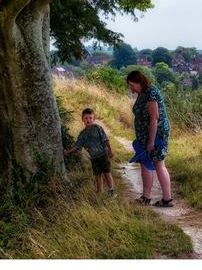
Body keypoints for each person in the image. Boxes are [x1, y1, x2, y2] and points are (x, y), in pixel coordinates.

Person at [127, 70, 174, 207]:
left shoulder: (151, 93)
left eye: (132, 85)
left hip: (156, 135)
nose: (131, 88)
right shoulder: (142, 92)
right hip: (145, 136)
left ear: (139, 82)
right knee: (145, 162)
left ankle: (167, 199)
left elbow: (154, 119)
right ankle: (146, 198)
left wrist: (151, 142)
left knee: (159, 163)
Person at [64, 108, 117, 197]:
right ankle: (99, 191)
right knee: (97, 175)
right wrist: (67, 151)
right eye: (86, 118)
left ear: (94, 119)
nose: (88, 120)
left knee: (107, 172)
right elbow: (77, 145)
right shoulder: (82, 134)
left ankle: (111, 190)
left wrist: (110, 150)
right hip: (94, 158)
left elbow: (105, 139)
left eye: (90, 118)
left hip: (103, 155)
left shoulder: (97, 128)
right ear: (82, 119)